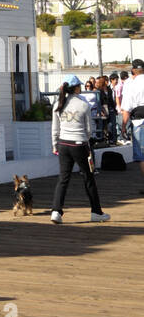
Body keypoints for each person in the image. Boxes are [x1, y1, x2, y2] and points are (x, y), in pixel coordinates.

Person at [51, 75, 110, 224]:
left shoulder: (58, 104)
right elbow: (89, 130)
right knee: (88, 178)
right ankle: (96, 212)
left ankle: (56, 211)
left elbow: (55, 128)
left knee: (63, 178)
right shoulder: (84, 105)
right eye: (80, 86)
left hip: (63, 145)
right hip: (80, 145)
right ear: (76, 87)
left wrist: (54, 144)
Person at [120, 58, 144, 194]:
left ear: (133, 70)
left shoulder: (131, 84)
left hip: (139, 122)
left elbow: (126, 109)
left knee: (142, 156)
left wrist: (123, 126)